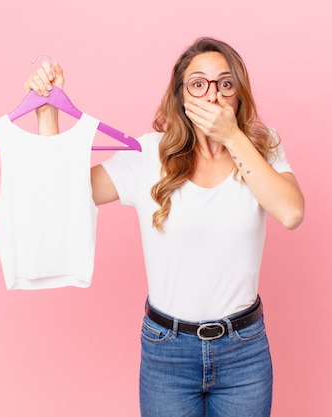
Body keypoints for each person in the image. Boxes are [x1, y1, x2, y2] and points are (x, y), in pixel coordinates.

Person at [24, 37, 304, 417]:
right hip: (167, 352)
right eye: (198, 84)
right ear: (182, 97)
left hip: (244, 352)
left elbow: (291, 213)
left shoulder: (262, 147)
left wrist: (232, 137)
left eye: (225, 84)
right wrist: (47, 116)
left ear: (238, 94)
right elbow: (65, 193)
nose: (213, 96)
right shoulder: (149, 155)